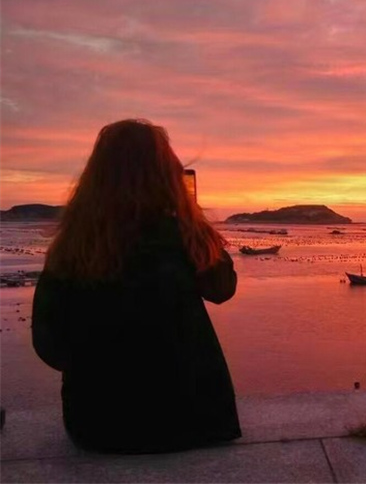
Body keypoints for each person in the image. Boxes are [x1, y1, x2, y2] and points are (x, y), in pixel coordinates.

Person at [32, 119, 241, 453]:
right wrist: (192, 220)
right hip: (192, 420)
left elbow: (49, 345)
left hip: (97, 425)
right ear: (166, 178)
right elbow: (222, 288)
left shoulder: (75, 243)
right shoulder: (180, 234)